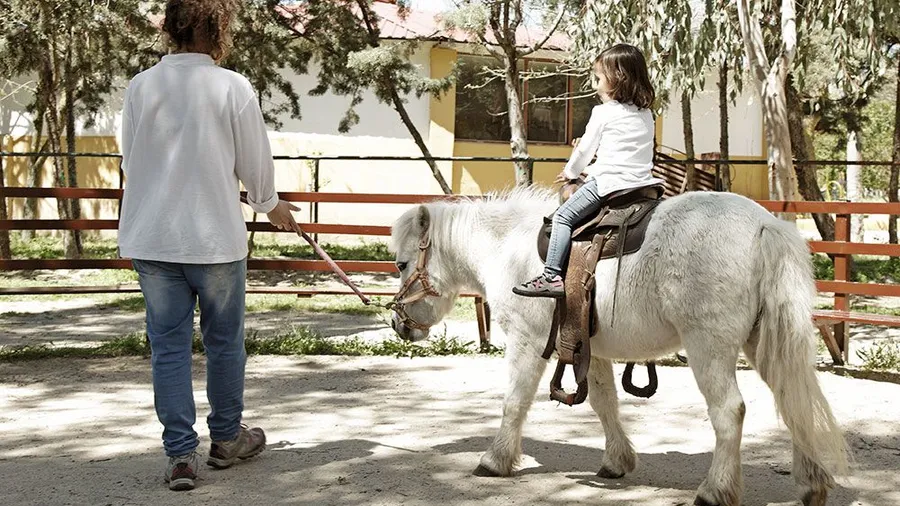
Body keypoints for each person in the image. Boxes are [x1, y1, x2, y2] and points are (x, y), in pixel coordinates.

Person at [118, 0, 301, 491]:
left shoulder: (141, 86)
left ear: (171, 28)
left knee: (169, 349)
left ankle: (180, 457)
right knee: (224, 343)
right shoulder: (232, 86)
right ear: (217, 29)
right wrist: (270, 205)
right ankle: (225, 440)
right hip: (215, 240)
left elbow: (130, 162)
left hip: (154, 239)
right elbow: (254, 162)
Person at [513, 43, 663, 298]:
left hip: (609, 184)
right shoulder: (647, 114)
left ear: (617, 79)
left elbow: (584, 151)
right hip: (641, 184)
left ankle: (551, 277)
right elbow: (624, 154)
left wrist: (571, 173)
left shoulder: (603, 112)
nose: (595, 85)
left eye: (598, 78)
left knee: (562, 218)